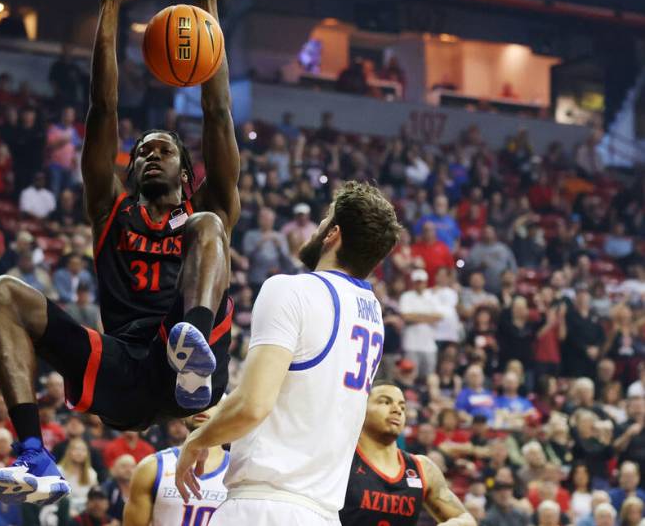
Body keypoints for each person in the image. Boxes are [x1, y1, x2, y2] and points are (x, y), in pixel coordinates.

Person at [0, 0, 240, 506]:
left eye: (163, 149)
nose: (149, 154)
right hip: (124, 367)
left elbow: (217, 113)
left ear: (186, 170)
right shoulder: (110, 210)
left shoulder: (208, 205)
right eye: (141, 150)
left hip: (192, 372)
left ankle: (190, 344)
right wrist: (110, 2)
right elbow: (104, 109)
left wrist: (207, 3)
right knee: (1, 292)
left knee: (210, 226)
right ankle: (33, 452)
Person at [175, 181, 402, 526]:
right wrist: (222, 410)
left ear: (333, 234)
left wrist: (198, 439)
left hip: (266, 507)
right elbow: (299, 394)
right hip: (322, 513)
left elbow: (254, 406)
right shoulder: (372, 314)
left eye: (324, 220)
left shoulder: (292, 290)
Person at [339, 383, 475, 526]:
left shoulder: (422, 468)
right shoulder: (342, 458)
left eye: (402, 407)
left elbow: (466, 520)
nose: (397, 410)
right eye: (385, 402)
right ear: (361, 409)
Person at [123, 405, 227, 526]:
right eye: (196, 400)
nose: (202, 407)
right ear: (183, 413)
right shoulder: (152, 467)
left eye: (213, 403)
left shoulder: (240, 469)